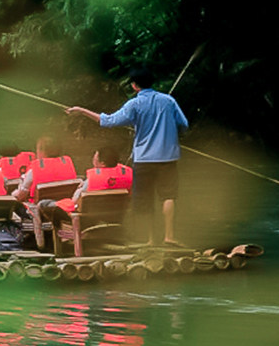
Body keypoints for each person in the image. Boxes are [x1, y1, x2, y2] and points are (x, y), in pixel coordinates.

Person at [65, 66, 188, 246]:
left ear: (135, 86)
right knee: (168, 196)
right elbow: (183, 124)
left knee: (146, 200)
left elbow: (108, 121)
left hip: (144, 160)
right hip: (168, 157)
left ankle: (151, 240)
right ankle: (169, 237)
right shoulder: (168, 101)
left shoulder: (134, 104)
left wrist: (81, 111)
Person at [38, 145, 132, 224]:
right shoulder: (126, 175)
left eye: (95, 158)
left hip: (87, 218)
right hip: (115, 216)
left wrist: (82, 186)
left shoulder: (93, 179)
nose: (93, 160)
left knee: (44, 203)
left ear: (102, 164)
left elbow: (75, 200)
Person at [14, 136, 77, 203]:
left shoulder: (34, 170)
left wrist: (12, 195)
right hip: (65, 206)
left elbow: (21, 194)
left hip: (39, 209)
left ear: (41, 151)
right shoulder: (67, 163)